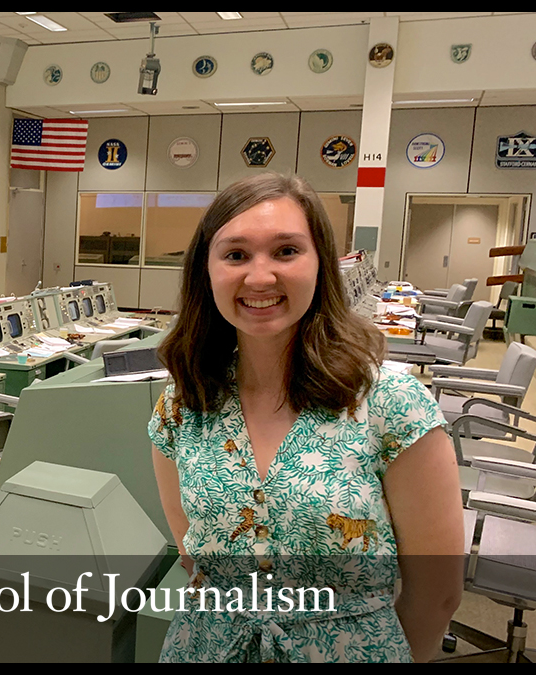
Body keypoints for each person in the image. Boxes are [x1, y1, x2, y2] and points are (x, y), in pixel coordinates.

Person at [149, 173, 463, 663]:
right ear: (205, 272)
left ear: (321, 265)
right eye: (235, 255)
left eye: (286, 251)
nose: (259, 276)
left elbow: (437, 592)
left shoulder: (389, 403)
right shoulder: (184, 402)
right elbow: (195, 558)